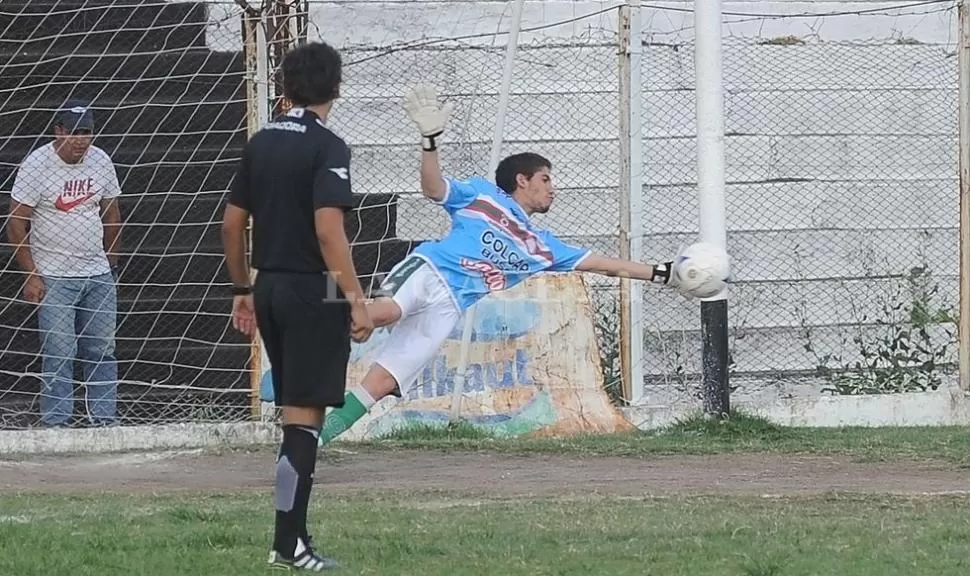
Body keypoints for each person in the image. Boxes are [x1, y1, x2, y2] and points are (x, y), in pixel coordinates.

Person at [317, 84, 682, 445]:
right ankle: (298, 323)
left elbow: (604, 264)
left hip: (451, 306)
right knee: (383, 312)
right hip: (430, 272)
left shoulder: (542, 248)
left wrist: (661, 273)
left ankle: (313, 439)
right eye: (545, 179)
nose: (552, 188)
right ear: (522, 180)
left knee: (383, 383)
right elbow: (432, 189)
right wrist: (430, 140)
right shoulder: (483, 196)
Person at [221, 41, 373, 572]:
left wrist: (241, 288)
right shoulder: (329, 146)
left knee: (294, 418)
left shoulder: (260, 142)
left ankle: (291, 537)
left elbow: (232, 223)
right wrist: (356, 301)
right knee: (304, 423)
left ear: (284, 88)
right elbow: (330, 232)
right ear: (337, 87)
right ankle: (289, 546)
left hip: (269, 287)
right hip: (312, 290)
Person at [6, 99, 122, 428]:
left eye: (87, 133)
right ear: (58, 131)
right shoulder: (36, 165)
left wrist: (111, 263)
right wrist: (31, 275)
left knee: (102, 349)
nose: (81, 140)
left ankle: (104, 421)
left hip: (97, 273)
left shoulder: (100, 161)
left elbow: (113, 213)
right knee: (59, 352)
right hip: (54, 276)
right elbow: (16, 222)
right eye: (74, 133)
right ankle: (57, 423)